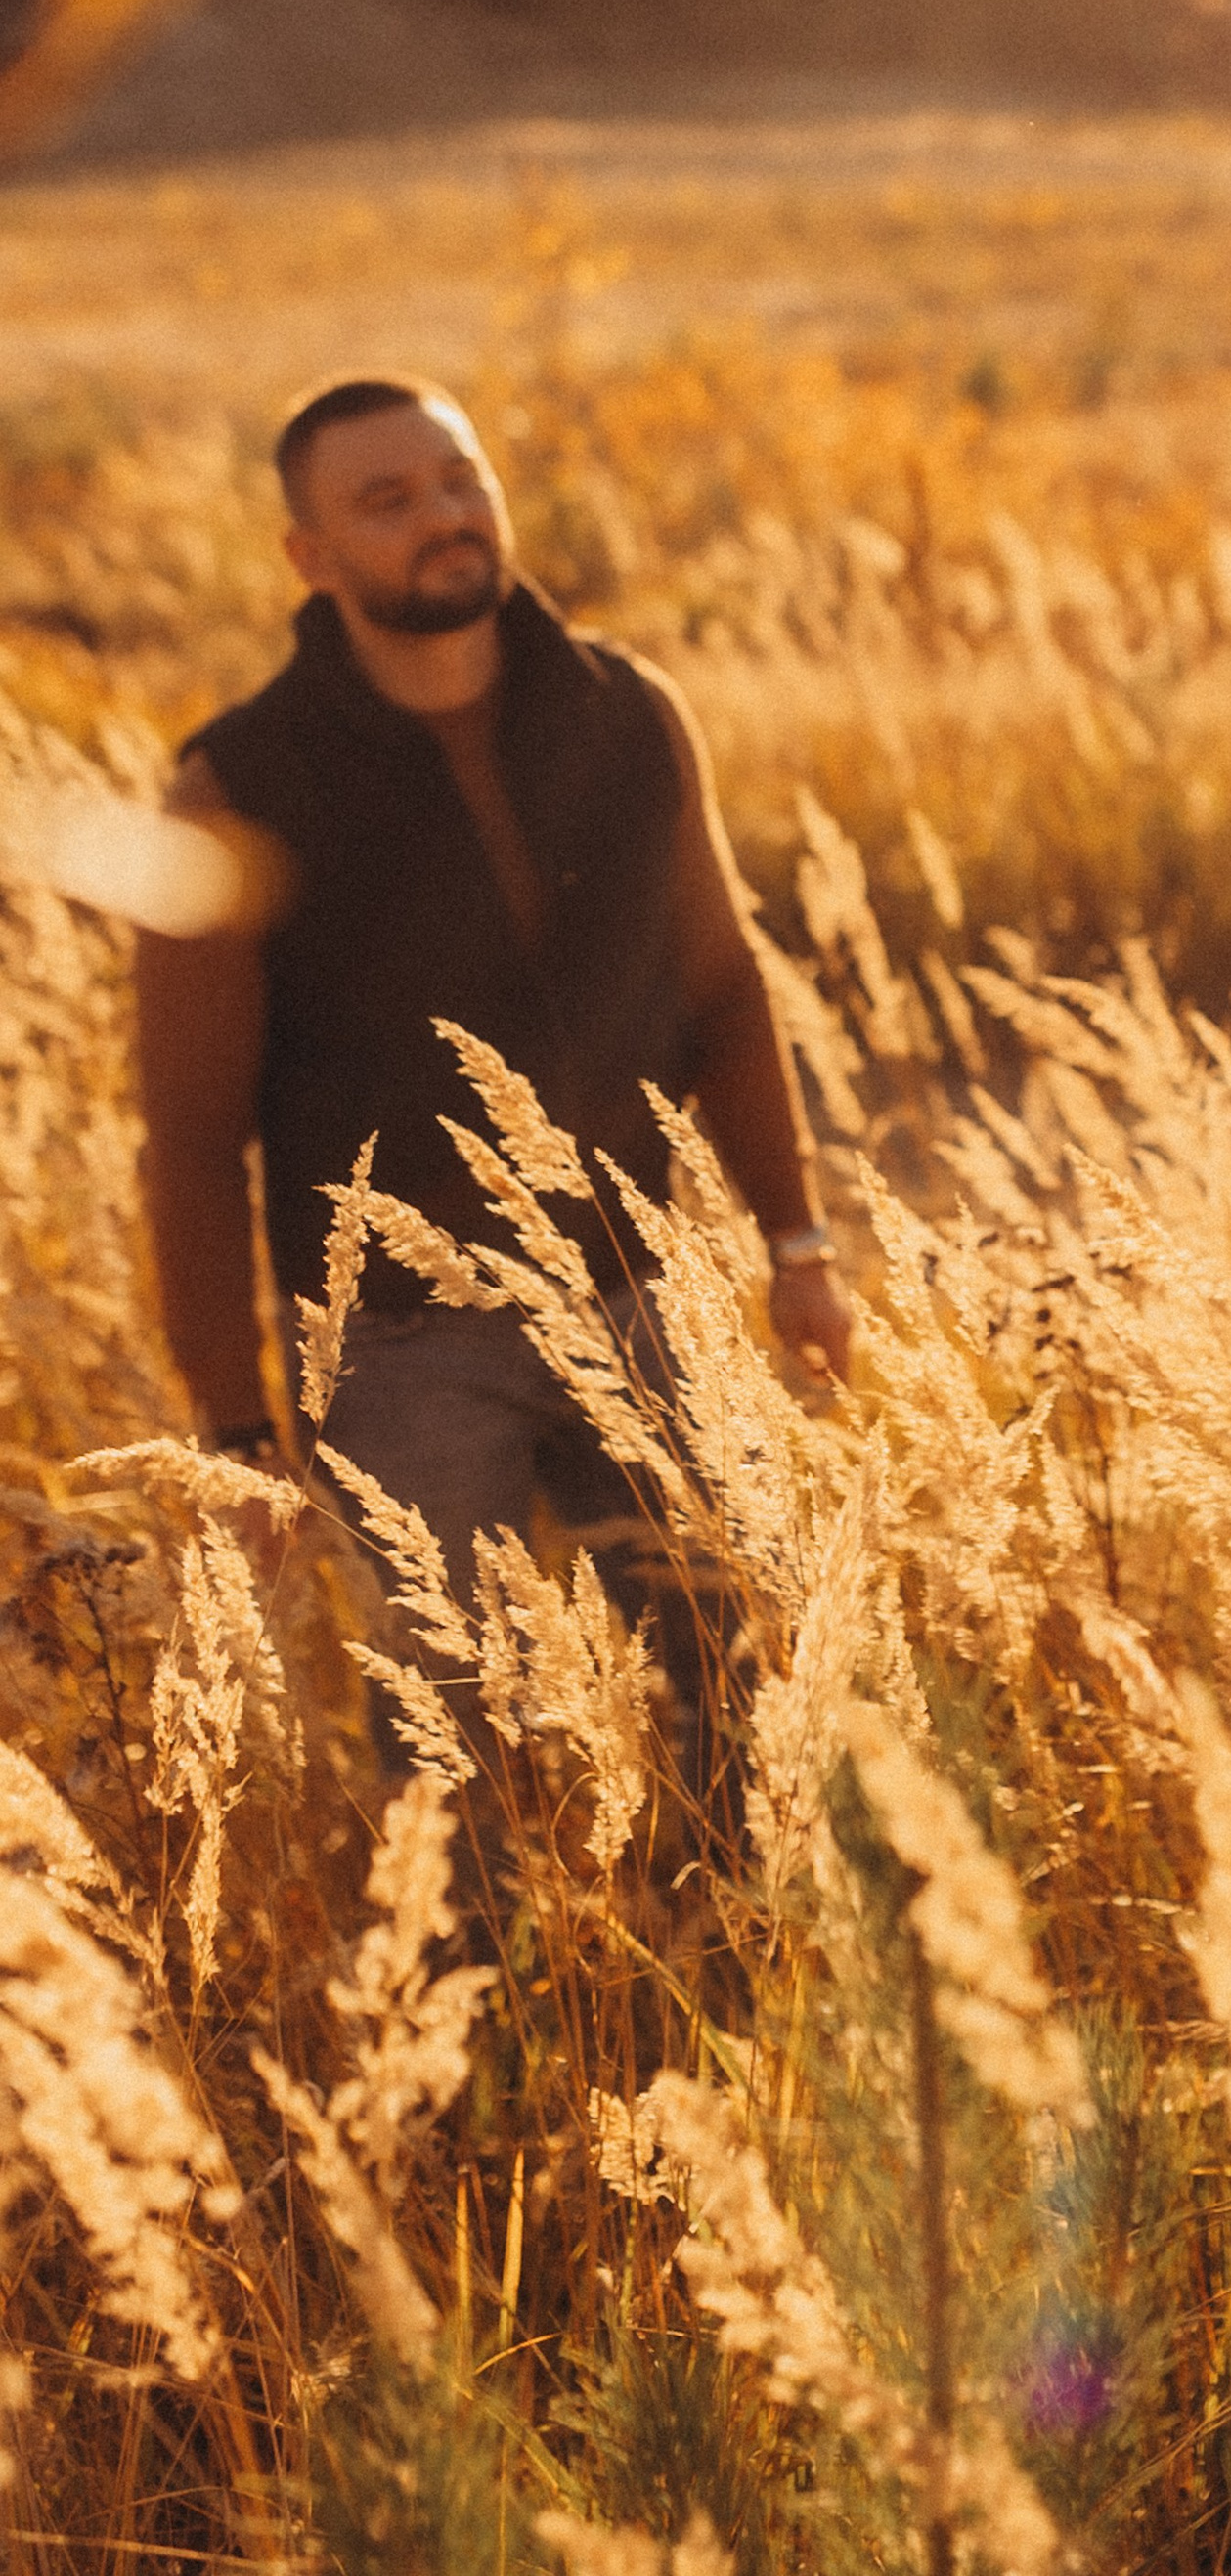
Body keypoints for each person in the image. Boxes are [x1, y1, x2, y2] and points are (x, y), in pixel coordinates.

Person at [133, 372, 851, 1755]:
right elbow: (189, 1137)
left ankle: (720, 1960)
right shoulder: (236, 786)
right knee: (459, 1754)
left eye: (460, 480)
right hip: (401, 1352)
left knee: (730, 1709)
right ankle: (479, 1970)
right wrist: (230, 1429)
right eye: (386, 501)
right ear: (311, 554)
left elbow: (725, 982)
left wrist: (796, 1239)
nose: (443, 519)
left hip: (646, 1301)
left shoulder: (627, 714)